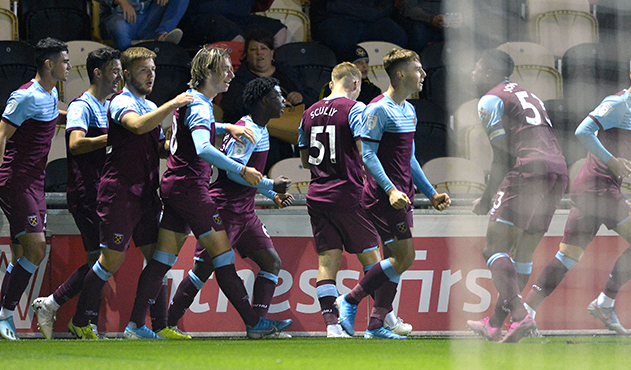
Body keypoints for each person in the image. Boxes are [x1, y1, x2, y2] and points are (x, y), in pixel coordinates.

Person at [126, 47, 293, 339]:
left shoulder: (192, 102)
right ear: (208, 72)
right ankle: (254, 323)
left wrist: (225, 126)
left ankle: (137, 325)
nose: (231, 74)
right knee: (222, 257)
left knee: (163, 260)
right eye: (225, 69)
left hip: (176, 185)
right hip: (191, 189)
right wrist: (244, 171)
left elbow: (195, 134)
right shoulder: (202, 106)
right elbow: (203, 148)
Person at [521, 50, 631, 335]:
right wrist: (611, 161)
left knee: (568, 257)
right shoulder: (618, 102)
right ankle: (604, 303)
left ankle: (526, 312)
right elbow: (583, 131)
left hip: (591, 188)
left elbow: (628, 150)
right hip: (599, 186)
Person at [66, 47, 194, 339]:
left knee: (158, 259)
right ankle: (80, 320)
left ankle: (155, 325)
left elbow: (159, 147)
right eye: (143, 70)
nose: (151, 76)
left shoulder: (149, 105)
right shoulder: (120, 102)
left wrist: (182, 139)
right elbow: (135, 127)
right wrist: (172, 104)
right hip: (120, 192)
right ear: (125, 74)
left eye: (153, 70)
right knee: (109, 261)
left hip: (147, 192)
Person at [335, 48, 450, 339]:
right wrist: (390, 190)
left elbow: (409, 159)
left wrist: (431, 193)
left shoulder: (409, 110)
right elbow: (368, 155)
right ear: (400, 74)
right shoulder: (377, 109)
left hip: (402, 196)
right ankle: (348, 301)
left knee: (393, 262)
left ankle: (375, 325)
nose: (423, 74)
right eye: (418, 68)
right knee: (405, 257)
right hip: (382, 197)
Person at [165, 76, 294, 336]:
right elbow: (234, 173)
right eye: (278, 96)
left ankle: (258, 325)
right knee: (203, 270)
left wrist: (271, 194)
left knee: (271, 262)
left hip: (246, 212)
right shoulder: (245, 129)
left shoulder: (261, 129)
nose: (284, 102)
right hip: (226, 209)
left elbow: (248, 175)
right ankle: (167, 322)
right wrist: (271, 183)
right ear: (263, 100)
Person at [464, 49, 568, 343]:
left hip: (528, 172)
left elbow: (502, 156)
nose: (472, 74)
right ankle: (496, 324)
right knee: (522, 254)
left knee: (492, 249)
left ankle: (521, 317)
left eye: (476, 67)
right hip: (558, 171)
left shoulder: (490, 99)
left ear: (487, 71)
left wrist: (486, 199)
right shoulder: (529, 94)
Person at [0, 38, 71, 340]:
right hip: (16, 181)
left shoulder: (50, 92)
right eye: (64, 61)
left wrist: (77, 116)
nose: (69, 65)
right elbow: (0, 135)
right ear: (49, 64)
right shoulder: (24, 96)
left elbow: (51, 112)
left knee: (23, 254)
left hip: (35, 182)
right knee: (37, 248)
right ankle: (4, 317)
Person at [299, 62, 399, 338]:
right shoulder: (355, 109)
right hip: (348, 193)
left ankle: (333, 326)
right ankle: (385, 319)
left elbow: (305, 159)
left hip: (317, 194)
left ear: (331, 84)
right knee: (373, 259)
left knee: (326, 261)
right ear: (355, 84)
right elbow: (365, 152)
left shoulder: (307, 113)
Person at [31, 47, 122, 340]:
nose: (119, 75)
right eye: (114, 70)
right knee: (103, 260)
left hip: (103, 191)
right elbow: (76, 144)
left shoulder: (109, 105)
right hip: (86, 191)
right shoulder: (82, 106)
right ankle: (60, 307)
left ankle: (81, 319)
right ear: (98, 73)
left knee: (102, 260)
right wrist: (113, 137)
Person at [221, 29, 308, 169]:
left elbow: (311, 95)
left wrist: (300, 96)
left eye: (264, 48)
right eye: (253, 49)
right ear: (247, 55)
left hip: (291, 131)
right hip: (259, 138)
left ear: (272, 53)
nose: (259, 53)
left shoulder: (286, 72)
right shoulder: (240, 79)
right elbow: (230, 106)